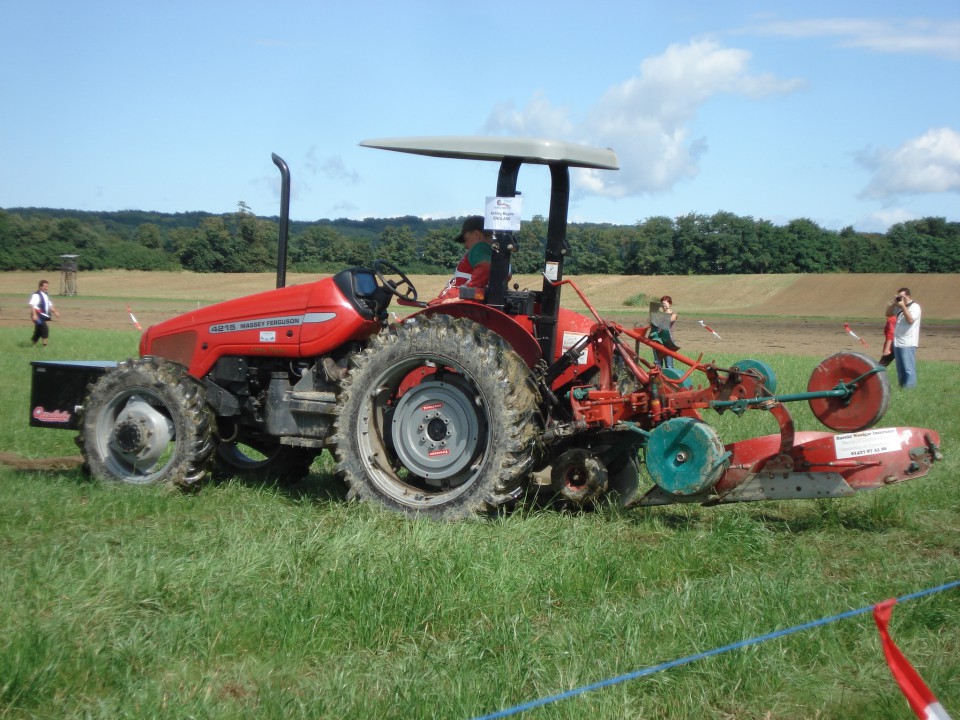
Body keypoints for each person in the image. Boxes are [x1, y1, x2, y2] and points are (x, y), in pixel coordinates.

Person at [434, 216, 494, 302]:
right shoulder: (496, 253)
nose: (465, 245)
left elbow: (485, 266)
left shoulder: (480, 248)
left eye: (466, 239)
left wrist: (467, 296)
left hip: (455, 297)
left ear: (477, 235)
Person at [885, 287, 921, 388]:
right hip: (898, 342)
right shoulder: (900, 306)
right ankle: (902, 386)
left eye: (902, 296)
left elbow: (910, 320)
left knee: (908, 368)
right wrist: (893, 304)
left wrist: (903, 307)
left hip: (908, 342)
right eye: (899, 296)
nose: (900, 298)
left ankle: (910, 388)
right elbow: (888, 314)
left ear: (909, 296)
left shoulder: (915, 307)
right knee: (900, 368)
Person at [649, 295, 679, 368]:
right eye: (662, 303)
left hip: (668, 340)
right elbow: (651, 322)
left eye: (665, 303)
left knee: (669, 365)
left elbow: (670, 320)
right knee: (658, 364)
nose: (664, 305)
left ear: (670, 304)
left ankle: (669, 378)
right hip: (658, 340)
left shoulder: (673, 314)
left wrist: (667, 309)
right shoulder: (658, 314)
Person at [28, 279, 60, 347]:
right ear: (40, 287)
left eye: (47, 286)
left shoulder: (46, 295)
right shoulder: (36, 295)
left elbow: (49, 305)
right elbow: (33, 305)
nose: (46, 288)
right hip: (37, 315)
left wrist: (55, 312)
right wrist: (34, 315)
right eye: (45, 286)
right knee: (44, 328)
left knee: (39, 330)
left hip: (43, 315)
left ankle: (33, 344)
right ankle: (45, 345)